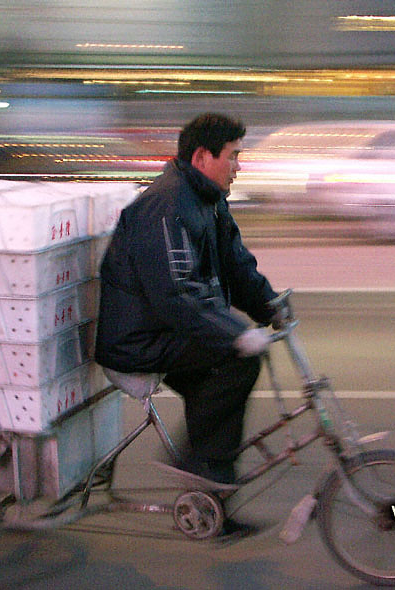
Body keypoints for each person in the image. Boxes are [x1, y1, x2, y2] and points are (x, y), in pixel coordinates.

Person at [95, 113, 281, 486]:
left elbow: (236, 264)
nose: (238, 167)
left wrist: (270, 305)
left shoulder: (208, 201)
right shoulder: (167, 207)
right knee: (236, 361)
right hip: (139, 340)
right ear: (201, 158)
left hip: (165, 329)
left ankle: (208, 493)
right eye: (231, 156)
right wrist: (236, 335)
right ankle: (200, 467)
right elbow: (176, 293)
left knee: (223, 378)